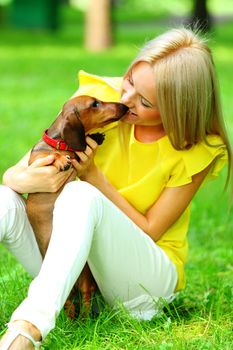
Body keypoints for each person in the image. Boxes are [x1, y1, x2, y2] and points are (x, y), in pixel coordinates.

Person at [0, 27, 231, 350]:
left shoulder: (195, 148)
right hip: (77, 269)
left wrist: (93, 176)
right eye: (130, 81)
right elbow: (14, 175)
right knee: (3, 201)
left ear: (178, 110)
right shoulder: (98, 100)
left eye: (145, 102)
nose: (124, 100)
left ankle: (27, 330)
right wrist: (21, 181)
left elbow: (151, 230)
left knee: (80, 196)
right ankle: (62, 299)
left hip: (141, 282)